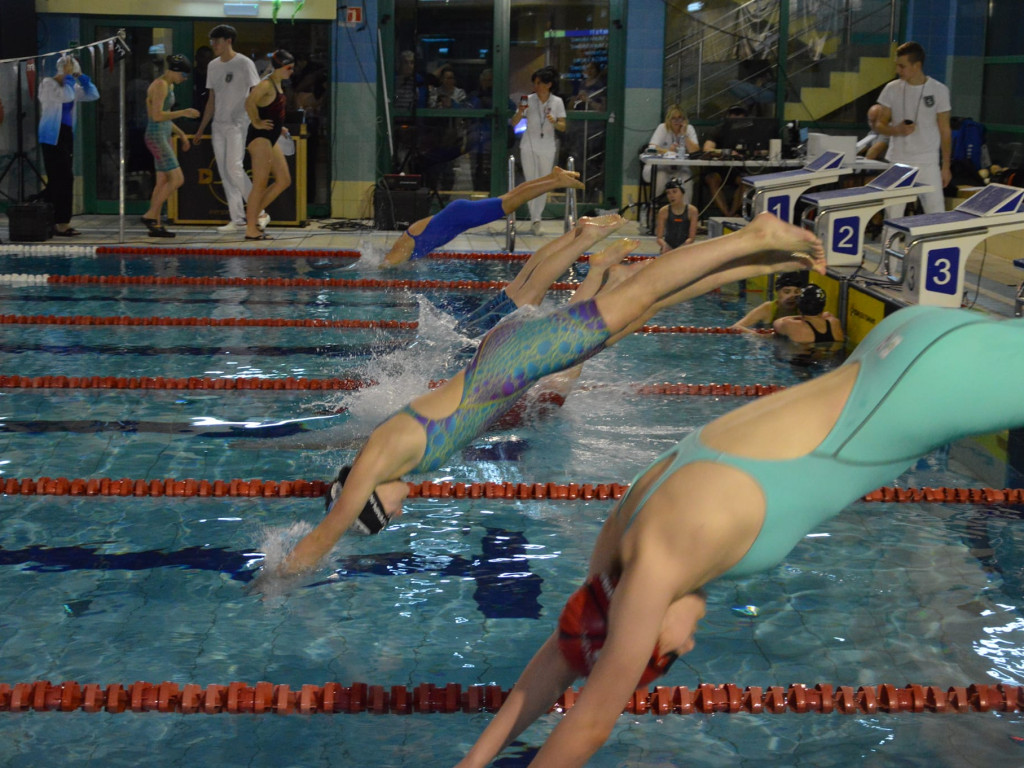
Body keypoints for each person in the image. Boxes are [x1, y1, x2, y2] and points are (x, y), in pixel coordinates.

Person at [455, 303, 1024, 768]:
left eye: (668, 658)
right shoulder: (620, 544)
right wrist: (473, 762)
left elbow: (591, 725)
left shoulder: (661, 565)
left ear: (645, 631)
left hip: (933, 386)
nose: (689, 647)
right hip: (897, 344)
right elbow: (563, 651)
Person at [266, 213, 824, 578]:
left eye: (384, 517)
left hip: (514, 362)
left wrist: (274, 579)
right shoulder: (398, 461)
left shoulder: (378, 457)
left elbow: (321, 538)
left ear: (367, 501)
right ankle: (761, 260)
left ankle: (754, 237)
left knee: (643, 292)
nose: (398, 512)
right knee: (645, 307)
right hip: (511, 363)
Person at [382, 166, 586, 266]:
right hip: (457, 214)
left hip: (460, 217)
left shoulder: (399, 254)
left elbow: (386, 267)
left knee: (512, 201)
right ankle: (552, 176)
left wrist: (383, 271)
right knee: (511, 197)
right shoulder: (406, 242)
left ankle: (556, 182)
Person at [192, 25, 263, 234]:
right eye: (212, 41)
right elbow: (212, 100)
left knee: (234, 167)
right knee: (224, 172)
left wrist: (256, 119)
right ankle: (238, 218)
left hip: (238, 123)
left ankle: (260, 210)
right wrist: (202, 128)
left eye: (217, 41)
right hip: (218, 124)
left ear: (229, 41)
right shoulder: (213, 66)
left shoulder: (244, 63)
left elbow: (256, 92)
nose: (214, 45)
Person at [873, 41, 952, 216]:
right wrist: (896, 130)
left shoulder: (939, 90)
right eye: (897, 65)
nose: (897, 70)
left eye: (902, 66)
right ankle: (890, 237)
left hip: (928, 161)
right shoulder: (891, 89)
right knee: (892, 215)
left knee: (936, 214)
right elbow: (879, 124)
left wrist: (946, 166)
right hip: (898, 159)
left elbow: (945, 130)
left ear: (917, 66)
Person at [37, 54, 99, 237]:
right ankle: (61, 223)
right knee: (63, 179)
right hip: (51, 136)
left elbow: (93, 94)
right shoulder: (48, 84)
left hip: (65, 135)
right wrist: (70, 79)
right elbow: (66, 96)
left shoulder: (71, 85)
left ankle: (51, 218)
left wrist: (82, 78)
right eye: (70, 68)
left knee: (60, 179)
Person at [140, 55, 200, 238]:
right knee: (177, 179)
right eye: (183, 75)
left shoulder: (169, 85)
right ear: (174, 71)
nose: (185, 79)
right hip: (157, 136)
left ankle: (156, 225)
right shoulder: (160, 85)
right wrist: (184, 112)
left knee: (162, 182)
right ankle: (150, 215)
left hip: (162, 135)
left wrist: (180, 134)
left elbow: (164, 116)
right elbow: (157, 116)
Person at [243, 50, 295, 241]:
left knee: (284, 180)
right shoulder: (266, 84)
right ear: (279, 66)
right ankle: (251, 229)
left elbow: (271, 110)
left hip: (270, 137)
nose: (291, 71)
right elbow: (249, 103)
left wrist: (280, 127)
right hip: (259, 138)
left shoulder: (277, 83)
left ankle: (254, 216)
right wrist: (256, 121)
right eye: (289, 67)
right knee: (260, 184)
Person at [512, 66, 567, 235]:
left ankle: (537, 217)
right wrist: (520, 112)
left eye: (538, 83)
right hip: (528, 145)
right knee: (531, 182)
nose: (535, 86)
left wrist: (554, 122)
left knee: (543, 183)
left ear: (548, 84)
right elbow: (514, 122)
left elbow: (563, 126)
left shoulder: (557, 102)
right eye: (534, 83)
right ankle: (535, 219)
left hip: (547, 146)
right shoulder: (528, 99)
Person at [702, 104, 750, 218]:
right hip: (717, 168)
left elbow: (760, 149)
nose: (736, 117)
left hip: (737, 169)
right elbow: (707, 149)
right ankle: (727, 214)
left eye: (739, 114)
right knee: (712, 179)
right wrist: (725, 152)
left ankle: (732, 213)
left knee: (746, 182)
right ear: (728, 116)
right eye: (733, 114)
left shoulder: (749, 131)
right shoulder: (718, 129)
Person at [643, 105, 699, 200]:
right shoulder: (662, 128)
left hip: (680, 168)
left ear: (684, 120)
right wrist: (669, 152)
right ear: (669, 119)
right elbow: (652, 147)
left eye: (680, 118)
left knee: (687, 178)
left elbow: (695, 151)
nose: (677, 121)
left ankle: (684, 208)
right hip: (661, 167)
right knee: (660, 177)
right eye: (673, 118)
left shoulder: (689, 129)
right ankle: (655, 206)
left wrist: (684, 135)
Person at [731, 270, 806, 332]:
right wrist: (758, 335)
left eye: (797, 292)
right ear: (777, 292)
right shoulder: (768, 308)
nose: (792, 296)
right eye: (787, 292)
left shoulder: (803, 310)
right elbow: (735, 327)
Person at [772, 284, 844, 343]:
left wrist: (799, 316)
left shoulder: (790, 325)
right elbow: (827, 315)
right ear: (823, 305)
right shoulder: (834, 323)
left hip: (803, 355)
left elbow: (776, 323)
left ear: (799, 306)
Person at [654, 177, 698, 253]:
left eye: (674, 192)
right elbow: (659, 238)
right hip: (668, 249)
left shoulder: (692, 211)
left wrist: (680, 249)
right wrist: (665, 245)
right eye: (668, 193)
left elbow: (691, 238)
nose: (671, 195)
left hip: (685, 249)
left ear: (682, 192)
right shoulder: (663, 211)